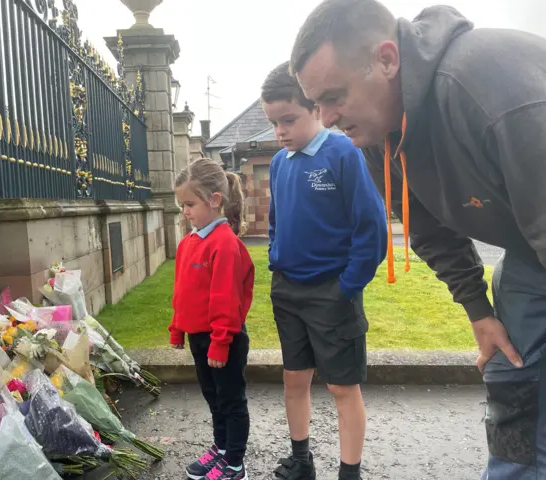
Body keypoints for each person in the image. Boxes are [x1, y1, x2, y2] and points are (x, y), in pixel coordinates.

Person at [290, 0, 546, 478]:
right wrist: (478, 310)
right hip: (530, 254)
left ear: (387, 59)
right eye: (316, 103)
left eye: (334, 96)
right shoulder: (378, 134)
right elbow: (428, 230)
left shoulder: (487, 86)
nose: (324, 119)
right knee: (512, 375)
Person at [263, 62, 387, 480]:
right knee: (294, 381)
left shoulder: (344, 154)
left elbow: (372, 229)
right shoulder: (280, 163)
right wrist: (275, 264)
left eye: (288, 119)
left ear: (315, 108)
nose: (280, 131)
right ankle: (301, 461)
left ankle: (348, 473)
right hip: (288, 292)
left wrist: (347, 287)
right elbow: (276, 221)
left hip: (333, 293)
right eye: (273, 123)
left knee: (341, 387)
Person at [169, 158, 255, 480]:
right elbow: (183, 292)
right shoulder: (189, 243)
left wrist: (220, 344)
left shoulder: (225, 244)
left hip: (224, 338)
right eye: (182, 204)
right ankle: (221, 449)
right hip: (199, 338)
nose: (185, 211)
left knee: (231, 400)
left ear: (214, 200)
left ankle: (235, 463)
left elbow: (226, 301)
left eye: (190, 203)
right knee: (213, 397)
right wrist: (178, 327)